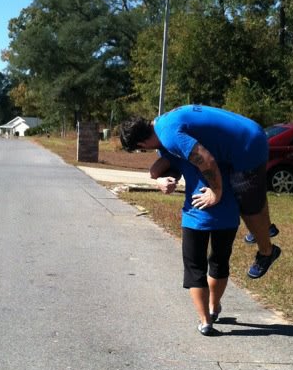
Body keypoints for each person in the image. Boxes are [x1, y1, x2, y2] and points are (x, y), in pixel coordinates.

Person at [120, 105, 280, 280]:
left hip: (248, 146)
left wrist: (216, 192)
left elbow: (206, 161)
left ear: (142, 143)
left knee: (247, 200)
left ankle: (267, 251)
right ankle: (265, 227)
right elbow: (167, 162)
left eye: (141, 149)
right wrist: (159, 178)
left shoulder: (170, 136)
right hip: (250, 131)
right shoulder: (162, 124)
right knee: (253, 194)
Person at [149, 149, 239, 336]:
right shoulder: (225, 142)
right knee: (219, 261)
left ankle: (205, 321)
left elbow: (155, 170)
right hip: (228, 214)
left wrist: (159, 179)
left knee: (195, 267)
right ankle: (213, 308)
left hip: (195, 216)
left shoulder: (183, 147)